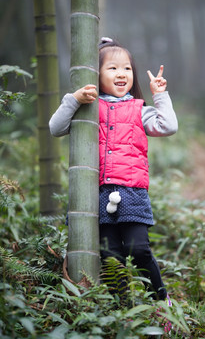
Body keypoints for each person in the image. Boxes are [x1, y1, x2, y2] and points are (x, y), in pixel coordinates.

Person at [49, 37, 178, 301]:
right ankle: (122, 309)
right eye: (112, 68)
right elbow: (56, 127)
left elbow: (168, 126)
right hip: (96, 195)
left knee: (138, 249)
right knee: (111, 257)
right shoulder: (89, 108)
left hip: (132, 192)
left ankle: (161, 301)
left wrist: (160, 95)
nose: (121, 73)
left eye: (127, 68)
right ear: (96, 74)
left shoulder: (139, 110)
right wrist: (74, 99)